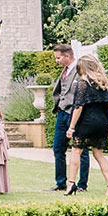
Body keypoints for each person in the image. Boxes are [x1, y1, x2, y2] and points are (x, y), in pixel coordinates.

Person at [66, 53, 108, 196]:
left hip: (86, 122)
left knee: (76, 151)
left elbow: (79, 107)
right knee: (99, 155)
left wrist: (71, 127)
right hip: (101, 122)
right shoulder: (103, 84)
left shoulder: (83, 84)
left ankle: (71, 183)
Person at [45, 42, 81, 193]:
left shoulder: (80, 71)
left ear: (68, 56)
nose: (57, 61)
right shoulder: (64, 72)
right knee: (58, 148)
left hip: (75, 113)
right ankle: (61, 182)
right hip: (61, 113)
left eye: (58, 58)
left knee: (80, 150)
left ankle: (81, 184)